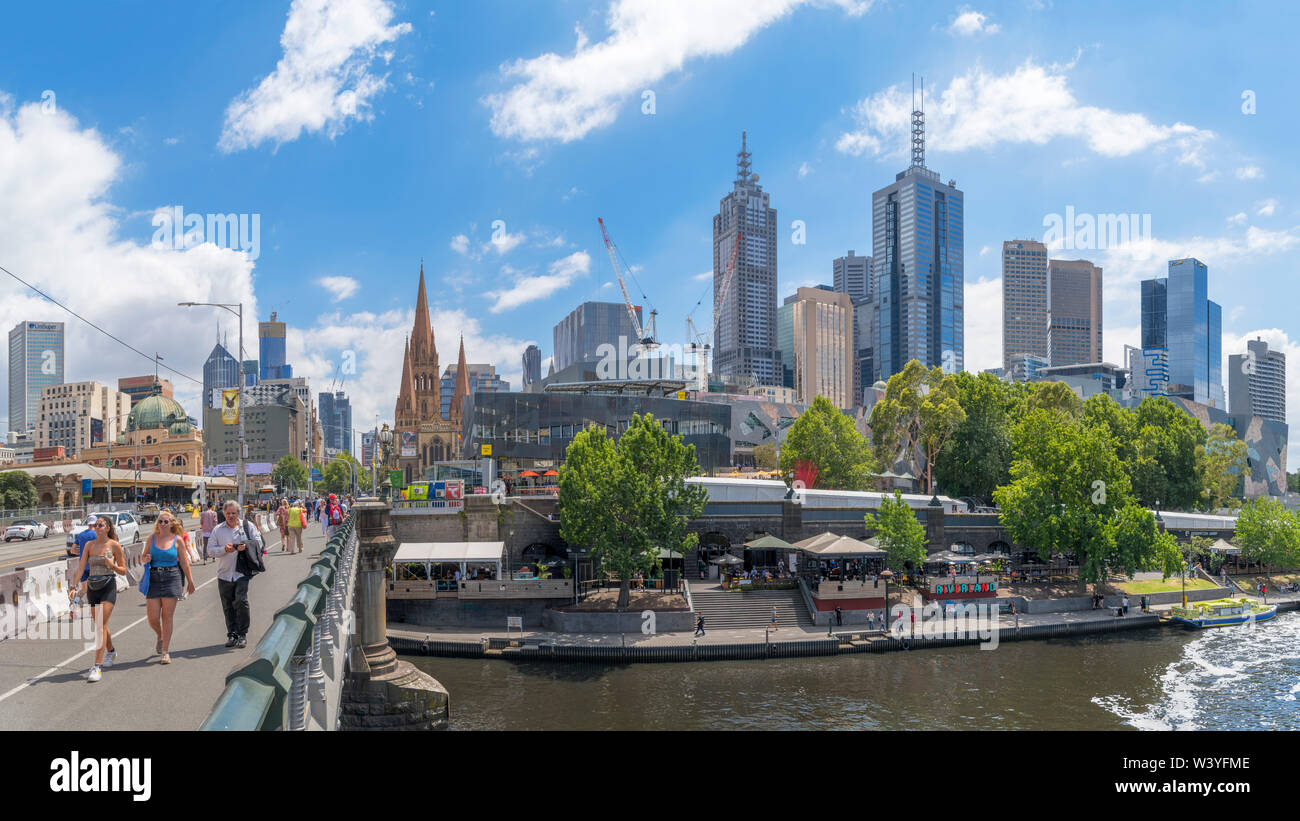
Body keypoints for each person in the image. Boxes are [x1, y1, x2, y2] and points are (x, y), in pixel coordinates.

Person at [69, 516, 125, 682]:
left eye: (99, 525)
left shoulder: (114, 545)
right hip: (93, 587)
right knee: (101, 624)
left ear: (107, 527)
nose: (96, 527)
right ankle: (112, 651)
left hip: (108, 586)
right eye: (94, 525)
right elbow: (80, 568)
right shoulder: (89, 545)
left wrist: (112, 565)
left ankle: (96, 667)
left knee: (100, 624)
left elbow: (123, 570)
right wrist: (73, 587)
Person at [142, 512, 196, 664]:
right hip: (153, 577)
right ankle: (160, 635)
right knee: (152, 618)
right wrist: (145, 558)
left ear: (172, 523)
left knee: (167, 616)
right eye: (160, 521)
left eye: (166, 521)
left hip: (172, 576)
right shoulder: (152, 538)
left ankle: (165, 651)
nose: (163, 524)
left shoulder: (177, 540)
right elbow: (143, 556)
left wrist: (190, 582)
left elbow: (184, 563)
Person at [210, 499, 264, 649]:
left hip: (242, 572)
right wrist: (224, 549)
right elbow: (210, 550)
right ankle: (231, 634)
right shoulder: (218, 530)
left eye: (234, 513)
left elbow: (259, 543)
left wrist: (245, 546)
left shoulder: (247, 526)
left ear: (238, 513)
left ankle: (242, 633)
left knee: (240, 600)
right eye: (228, 513)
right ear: (224, 514)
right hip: (224, 573)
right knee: (227, 605)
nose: (231, 516)